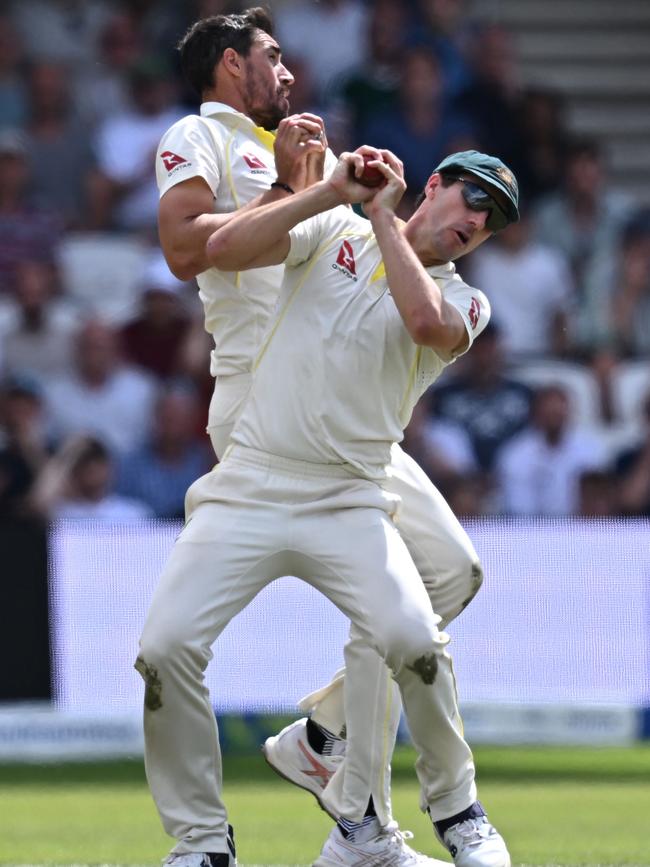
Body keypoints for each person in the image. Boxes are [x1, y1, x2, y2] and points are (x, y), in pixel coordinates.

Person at [150, 8, 509, 865]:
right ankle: (358, 821)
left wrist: (320, 182)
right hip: (262, 398)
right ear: (231, 63)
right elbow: (197, 249)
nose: (290, 73)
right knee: (405, 607)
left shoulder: (309, 165)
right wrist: (309, 187)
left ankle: (329, 749)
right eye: (273, 58)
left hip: (349, 407)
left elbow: (414, 305)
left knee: (450, 576)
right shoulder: (200, 137)